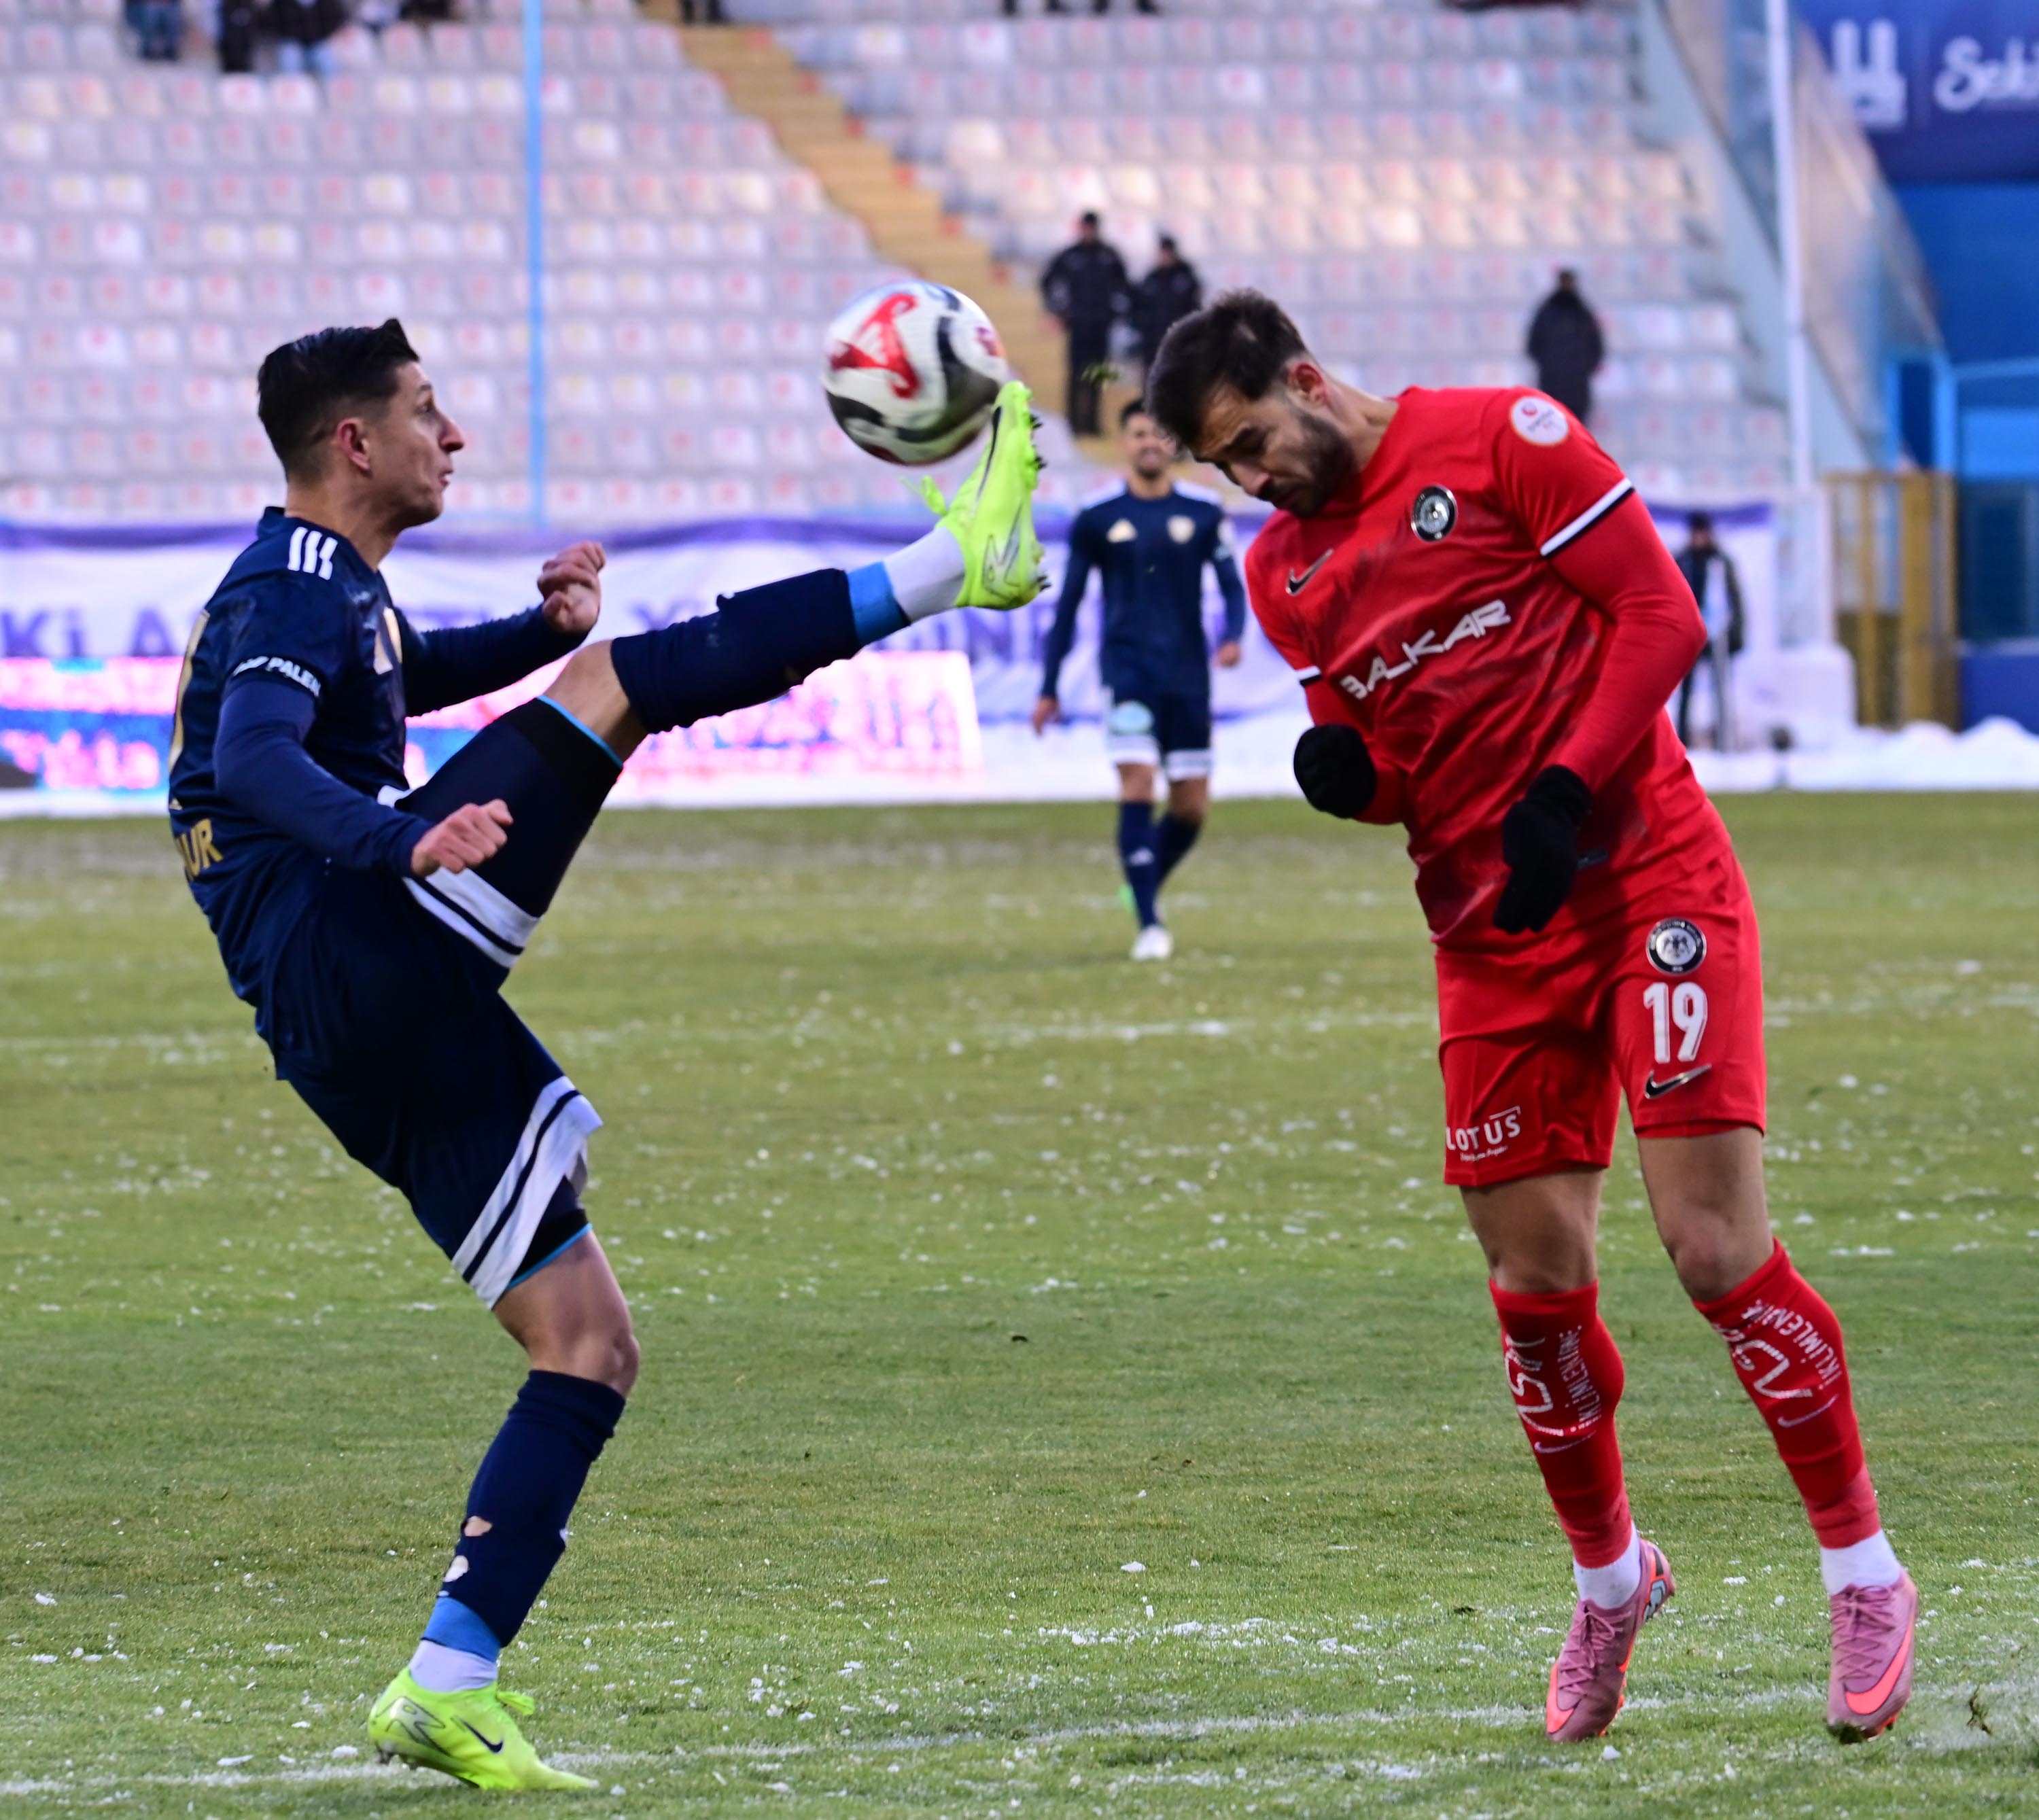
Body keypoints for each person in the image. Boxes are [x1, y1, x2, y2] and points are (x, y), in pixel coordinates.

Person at [167, 321, 1045, 1789]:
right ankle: (952, 567)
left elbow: (386, 680)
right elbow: (257, 758)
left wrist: (532, 634)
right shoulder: (291, 582)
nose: (454, 435)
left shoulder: (322, 587)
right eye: (427, 411)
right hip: (353, 939)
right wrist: (399, 839)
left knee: (587, 1344)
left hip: (341, 1021)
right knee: (623, 682)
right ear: (353, 443)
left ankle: (446, 1682)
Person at [1146, 292, 1915, 1745]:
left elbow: (1661, 615)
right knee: (1534, 1286)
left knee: (1713, 1247)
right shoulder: (1282, 569)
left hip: (1648, 881)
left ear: (1305, 376)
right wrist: (1349, 779)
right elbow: (1388, 761)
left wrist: (1565, 788)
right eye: (1225, 467)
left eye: (1252, 444)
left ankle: (1864, 1572)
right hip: (1490, 939)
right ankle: (1613, 1581)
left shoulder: (1508, 438)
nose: (1252, 481)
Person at [1032, 400, 1245, 960]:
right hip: (1128, 673)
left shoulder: (1204, 512)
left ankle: (1142, 878)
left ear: (1174, 442)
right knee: (1137, 783)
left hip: (1188, 676)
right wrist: (1049, 686)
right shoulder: (1097, 517)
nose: (1150, 442)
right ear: (1125, 442)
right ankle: (1150, 924)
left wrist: (1233, 636)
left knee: (1191, 808)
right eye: (1139, 433)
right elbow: (1069, 605)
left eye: (1160, 433)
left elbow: (1232, 585)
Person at [1040, 211, 1129, 437]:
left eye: (1091, 228)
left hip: (1100, 326)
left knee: (1098, 375)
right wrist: (1057, 309)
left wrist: (1115, 313)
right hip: (1078, 325)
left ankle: (1093, 423)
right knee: (1075, 374)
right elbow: (1048, 281)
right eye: (1085, 228)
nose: (1088, 232)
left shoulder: (1109, 256)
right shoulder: (1070, 255)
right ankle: (1073, 423)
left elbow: (1125, 288)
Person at [1673, 511, 1744, 751]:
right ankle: (1682, 739)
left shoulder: (1720, 562)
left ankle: (1721, 738)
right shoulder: (1683, 560)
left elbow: (1734, 599)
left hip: (1716, 633)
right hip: (1691, 634)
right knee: (1686, 691)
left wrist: (1736, 634)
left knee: (1720, 689)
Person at [1526, 268, 1605, 427]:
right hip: (1552, 381)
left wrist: (1583, 368)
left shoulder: (1582, 313)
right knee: (1551, 424)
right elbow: (1533, 345)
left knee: (1576, 426)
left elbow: (1596, 347)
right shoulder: (1547, 312)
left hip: (1577, 384)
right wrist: (1549, 365)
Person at [1132, 235, 1202, 374]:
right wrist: (1143, 326)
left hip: (1179, 338)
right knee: (1151, 375)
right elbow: (1139, 306)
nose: (1165, 257)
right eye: (1163, 253)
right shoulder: (1151, 278)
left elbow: (1194, 308)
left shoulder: (1186, 278)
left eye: (1168, 253)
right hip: (1153, 339)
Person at [264, 0, 346, 78]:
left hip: (318, 43)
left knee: (327, 58)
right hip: (293, 45)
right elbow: (270, 22)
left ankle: (333, 86)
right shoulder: (282, 3)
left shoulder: (326, 2)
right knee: (290, 56)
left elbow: (338, 19)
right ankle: (294, 86)